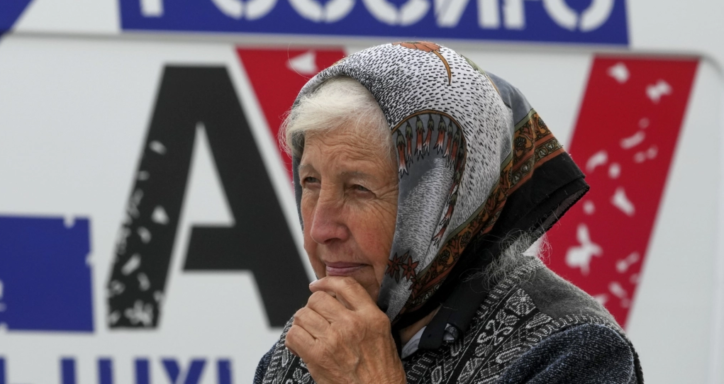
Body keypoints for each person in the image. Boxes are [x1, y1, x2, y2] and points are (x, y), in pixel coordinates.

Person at [253, 42, 642, 384]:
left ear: (445, 202)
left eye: (359, 189)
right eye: (310, 183)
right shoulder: (310, 346)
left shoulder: (573, 351)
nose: (321, 228)